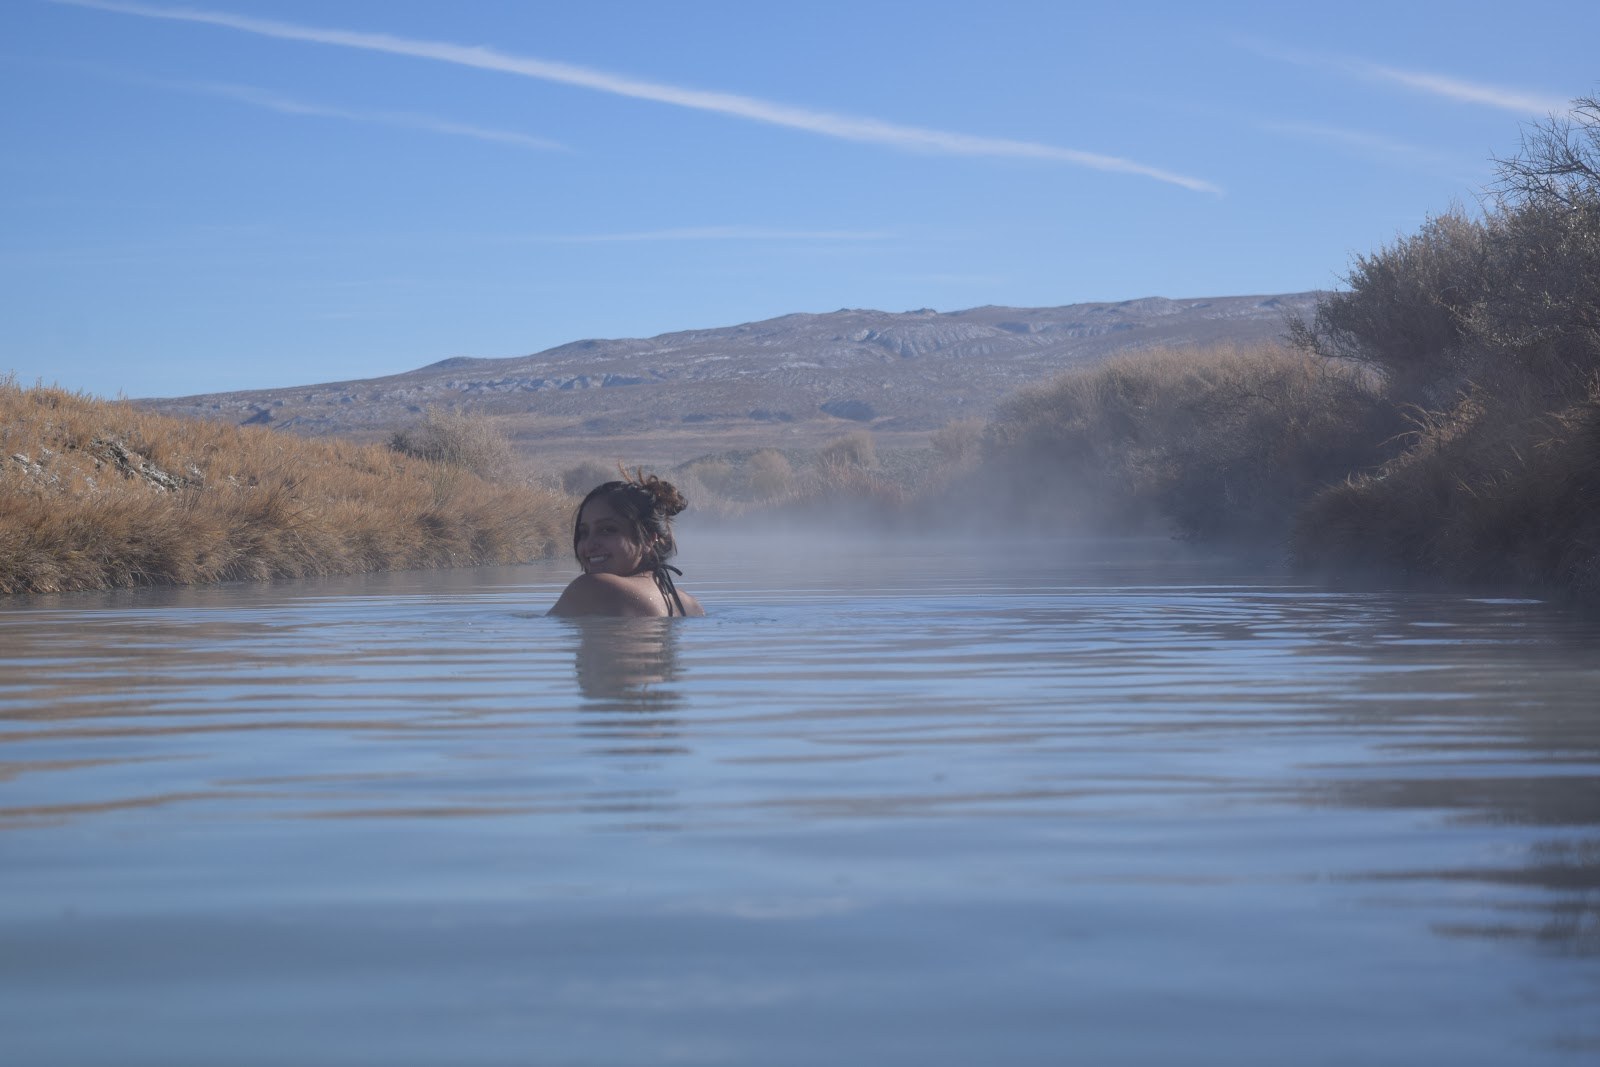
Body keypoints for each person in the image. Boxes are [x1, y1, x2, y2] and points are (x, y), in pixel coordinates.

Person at [548, 472, 705, 618]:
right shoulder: (691, 606)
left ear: (649, 539)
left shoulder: (592, 587)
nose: (589, 545)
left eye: (607, 530)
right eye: (584, 533)